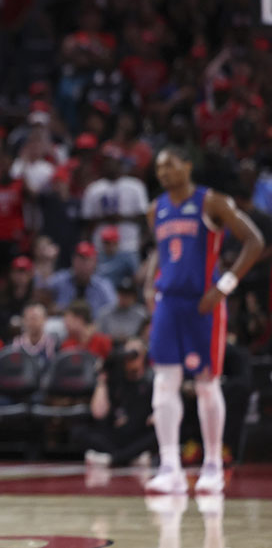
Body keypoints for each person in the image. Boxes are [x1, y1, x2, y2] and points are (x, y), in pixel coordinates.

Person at [143, 146, 264, 494]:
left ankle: (212, 464)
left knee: (206, 382)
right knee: (164, 383)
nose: (163, 171)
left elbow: (254, 240)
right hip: (169, 303)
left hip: (204, 303)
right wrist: (150, 288)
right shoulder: (156, 209)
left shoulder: (212, 201)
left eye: (169, 164)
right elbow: (159, 253)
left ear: (187, 164)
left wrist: (224, 287)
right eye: (159, 166)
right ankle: (170, 467)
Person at [80, 337, 155, 468]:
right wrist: (102, 380)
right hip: (117, 434)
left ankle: (113, 458)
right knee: (80, 432)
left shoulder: (150, 380)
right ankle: (131, 457)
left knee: (157, 435)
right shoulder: (115, 378)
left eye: (135, 354)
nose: (131, 358)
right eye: (128, 353)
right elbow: (99, 413)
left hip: (139, 433)